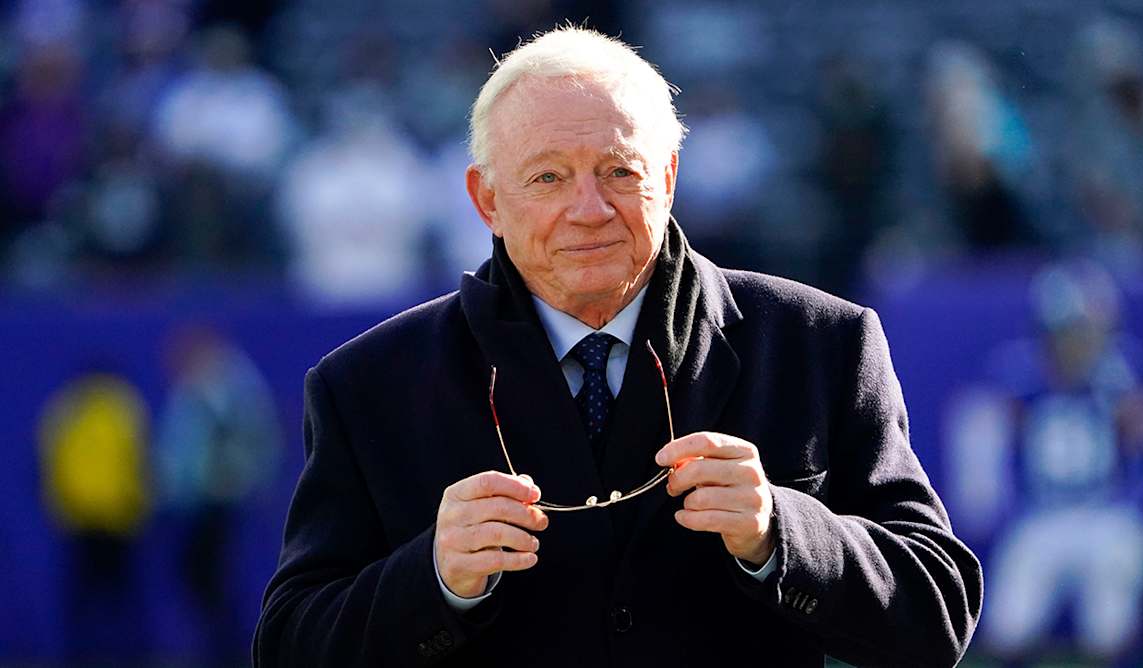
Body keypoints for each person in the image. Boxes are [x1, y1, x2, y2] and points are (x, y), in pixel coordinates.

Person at [254, 27, 982, 667]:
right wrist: (434, 579)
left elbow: (938, 617)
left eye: (620, 172)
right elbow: (290, 644)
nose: (589, 210)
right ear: (487, 200)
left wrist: (783, 534)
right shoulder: (367, 385)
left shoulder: (820, 343)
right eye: (548, 177)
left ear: (668, 178)